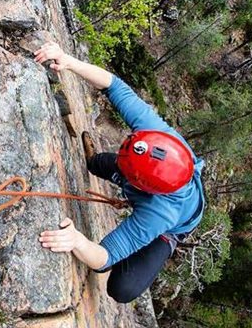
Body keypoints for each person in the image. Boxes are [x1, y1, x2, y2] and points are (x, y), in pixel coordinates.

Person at [34, 42, 205, 303]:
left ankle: (146, 246)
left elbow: (103, 257)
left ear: (141, 187)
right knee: (98, 164)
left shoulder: (159, 214)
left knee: (122, 288)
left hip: (172, 228)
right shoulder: (161, 138)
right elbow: (114, 86)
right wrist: (68, 61)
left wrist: (78, 241)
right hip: (157, 181)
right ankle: (99, 162)